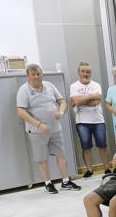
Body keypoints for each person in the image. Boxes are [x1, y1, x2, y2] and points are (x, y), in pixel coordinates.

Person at [16, 64, 76, 193]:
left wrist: (60, 112)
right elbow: (21, 111)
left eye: (38, 74)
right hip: (37, 131)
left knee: (61, 154)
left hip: (55, 128)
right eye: (33, 74)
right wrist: (38, 124)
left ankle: (66, 181)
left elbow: (62, 101)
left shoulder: (49, 85)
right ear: (28, 76)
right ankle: (48, 184)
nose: (37, 77)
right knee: (41, 158)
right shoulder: (23, 90)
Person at [70, 62, 108, 179]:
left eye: (88, 72)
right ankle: (89, 170)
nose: (86, 74)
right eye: (83, 71)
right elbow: (75, 101)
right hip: (82, 122)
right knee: (86, 146)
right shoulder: (74, 86)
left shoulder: (96, 85)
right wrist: (91, 97)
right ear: (79, 72)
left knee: (102, 145)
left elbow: (97, 102)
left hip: (98, 120)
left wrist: (81, 100)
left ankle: (107, 168)